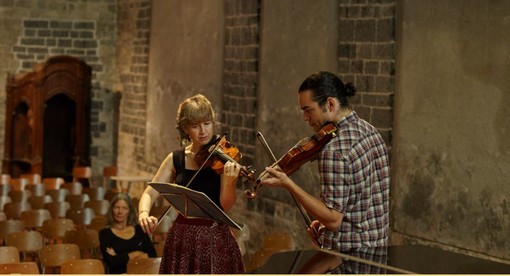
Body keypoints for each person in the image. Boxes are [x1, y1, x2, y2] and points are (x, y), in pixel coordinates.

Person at [259, 71, 390, 252]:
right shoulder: (371, 131)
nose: (305, 118)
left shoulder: (334, 150)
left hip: (346, 261)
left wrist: (288, 184)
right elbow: (361, 202)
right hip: (376, 255)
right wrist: (323, 225)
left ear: (330, 104)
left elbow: (334, 219)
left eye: (308, 110)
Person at [137, 93, 245, 274]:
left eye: (207, 123)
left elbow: (225, 206)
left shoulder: (223, 158)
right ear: (186, 129)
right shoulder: (176, 159)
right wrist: (143, 213)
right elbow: (149, 192)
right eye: (195, 126)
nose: (203, 131)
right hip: (182, 237)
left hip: (214, 238)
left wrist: (229, 183)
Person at [99, 193, 156, 274]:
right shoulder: (105, 234)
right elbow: (112, 262)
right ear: (111, 209)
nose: (120, 211)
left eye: (124, 208)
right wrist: (137, 254)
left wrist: (119, 256)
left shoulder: (140, 229)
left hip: (141, 273)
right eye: (116, 207)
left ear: (130, 210)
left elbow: (152, 256)